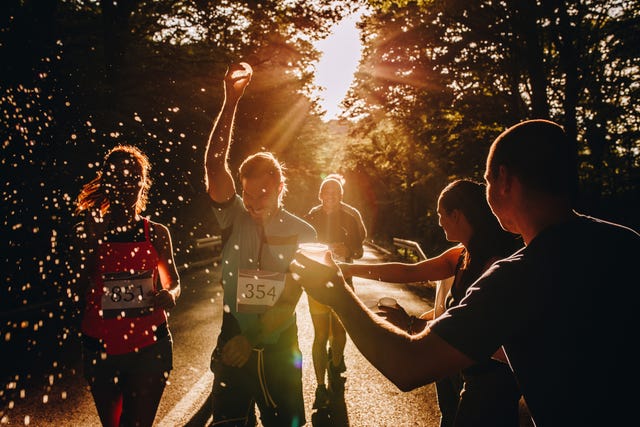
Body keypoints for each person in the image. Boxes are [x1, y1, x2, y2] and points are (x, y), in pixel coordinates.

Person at [290, 119, 640, 426]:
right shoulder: (626, 242)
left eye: (487, 180)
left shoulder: (516, 278)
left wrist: (337, 292)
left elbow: (408, 365)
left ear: (503, 180)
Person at [340, 179, 522, 427]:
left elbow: (483, 333)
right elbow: (409, 272)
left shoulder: (493, 265)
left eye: (441, 214)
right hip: (461, 371)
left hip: (489, 381)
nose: (438, 222)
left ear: (456, 215)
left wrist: (412, 324)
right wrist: (347, 269)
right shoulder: (461, 255)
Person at [203, 62, 316, 426]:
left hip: (279, 344)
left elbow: (291, 297)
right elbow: (213, 162)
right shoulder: (234, 215)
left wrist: (252, 340)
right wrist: (230, 103)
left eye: (262, 196)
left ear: (281, 187)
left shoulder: (304, 232)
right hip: (233, 333)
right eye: (248, 196)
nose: (253, 205)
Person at [72, 145, 181, 427]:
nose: (126, 184)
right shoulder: (90, 230)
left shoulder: (156, 232)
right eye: (118, 177)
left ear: (143, 183)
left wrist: (169, 294)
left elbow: (173, 281)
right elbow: (74, 291)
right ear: (106, 182)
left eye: (134, 177)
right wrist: (92, 243)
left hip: (150, 346)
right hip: (100, 347)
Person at [304, 173, 366, 408]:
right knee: (320, 335)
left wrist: (348, 249)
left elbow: (360, 250)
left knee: (339, 332)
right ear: (320, 195)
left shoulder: (352, 215)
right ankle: (320, 387)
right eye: (326, 193)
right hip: (317, 284)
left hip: (342, 283)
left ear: (341, 196)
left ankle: (336, 362)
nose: (330, 197)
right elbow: (301, 248)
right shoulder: (311, 217)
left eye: (335, 193)